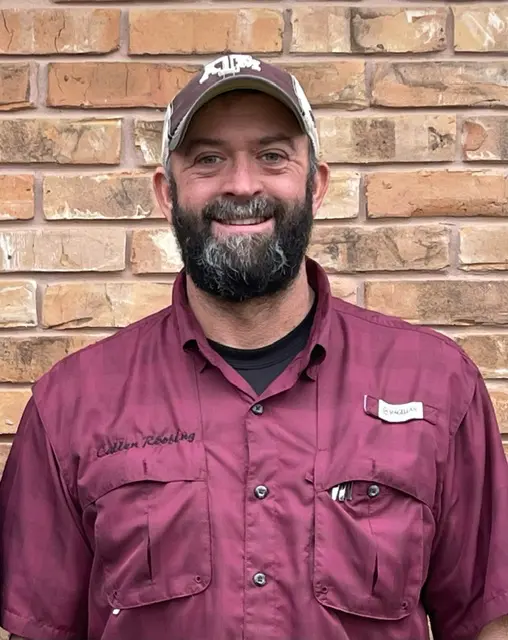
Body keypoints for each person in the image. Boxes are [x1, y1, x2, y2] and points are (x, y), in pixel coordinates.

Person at [0, 53, 507, 640]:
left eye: (272, 156)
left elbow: (484, 622)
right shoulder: (71, 405)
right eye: (209, 159)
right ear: (167, 194)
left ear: (315, 185)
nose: (242, 185)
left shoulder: (438, 386)